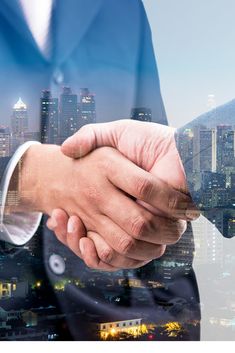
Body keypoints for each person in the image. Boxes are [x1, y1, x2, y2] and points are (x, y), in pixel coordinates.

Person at [0, 0, 233, 341]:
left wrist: (173, 325)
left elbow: (160, 195)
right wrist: (30, 176)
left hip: (120, 328)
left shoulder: (122, 8)